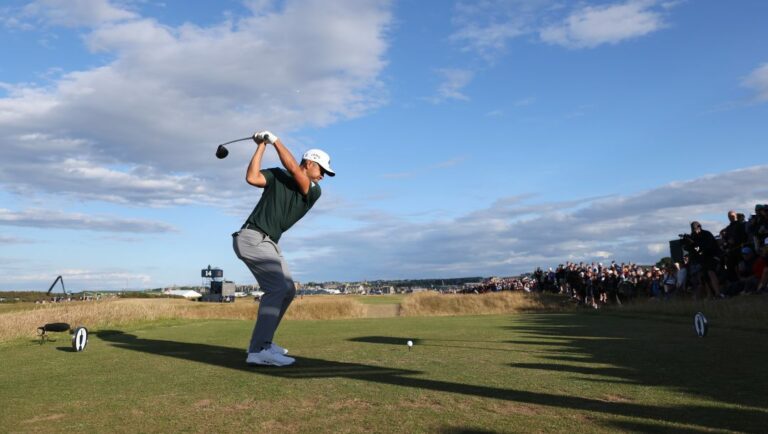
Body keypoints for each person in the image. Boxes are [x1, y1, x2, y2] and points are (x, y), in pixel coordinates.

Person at [232, 130, 335, 366]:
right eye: (322, 171)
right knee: (277, 289)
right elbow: (252, 178)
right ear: (310, 163)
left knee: (288, 289)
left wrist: (275, 141)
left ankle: (265, 342)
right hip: (252, 238)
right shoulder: (277, 175)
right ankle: (258, 350)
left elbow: (296, 172)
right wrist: (262, 146)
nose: (323, 177)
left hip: (269, 243)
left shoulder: (313, 190)